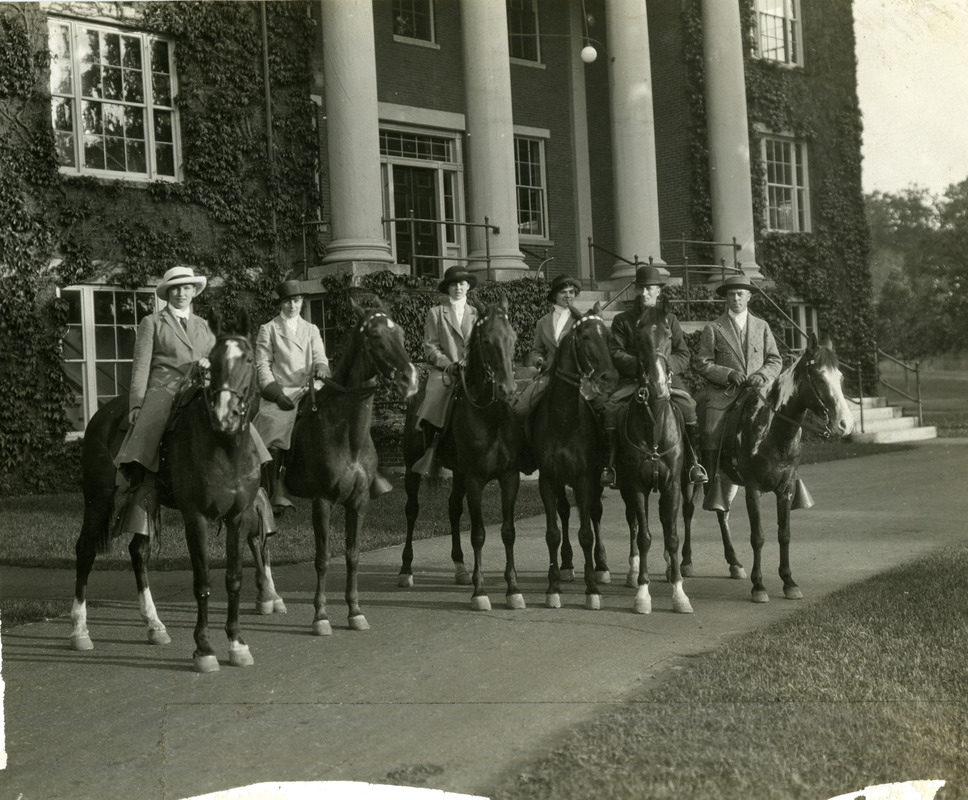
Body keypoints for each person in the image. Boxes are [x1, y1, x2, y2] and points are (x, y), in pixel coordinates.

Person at [114, 265, 274, 538]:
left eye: (186, 288)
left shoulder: (204, 326)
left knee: (242, 423)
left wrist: (209, 363)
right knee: (153, 423)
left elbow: (220, 358)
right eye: (175, 288)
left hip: (202, 386)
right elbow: (141, 367)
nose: (181, 293)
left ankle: (256, 488)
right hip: (165, 387)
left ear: (193, 292)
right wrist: (137, 404)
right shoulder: (152, 323)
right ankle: (142, 485)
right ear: (167, 293)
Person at [599, 264, 708, 488]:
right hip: (633, 380)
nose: (645, 293)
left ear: (659, 291)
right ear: (636, 291)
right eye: (642, 288)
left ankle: (693, 462)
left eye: (651, 289)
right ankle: (611, 466)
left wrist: (664, 369)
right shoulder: (622, 320)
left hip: (664, 378)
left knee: (688, 406)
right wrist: (642, 367)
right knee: (610, 409)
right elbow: (616, 353)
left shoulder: (669, 319)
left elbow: (683, 353)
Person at [694, 273, 783, 506]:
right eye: (731, 294)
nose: (736, 298)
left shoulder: (762, 326)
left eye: (740, 294)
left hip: (758, 393)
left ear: (749, 297)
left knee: (783, 424)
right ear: (726, 298)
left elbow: (775, 360)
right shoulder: (713, 328)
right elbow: (702, 363)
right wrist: (729, 374)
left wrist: (762, 375)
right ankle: (711, 483)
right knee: (711, 428)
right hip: (725, 395)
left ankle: (788, 477)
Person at [253, 279, 330, 514]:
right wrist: (275, 393)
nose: (292, 306)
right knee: (275, 430)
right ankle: (274, 489)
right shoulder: (269, 329)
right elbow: (262, 365)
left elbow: (320, 355)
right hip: (282, 392)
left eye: (296, 301)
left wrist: (321, 367)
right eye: (288, 301)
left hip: (310, 388)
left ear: (302, 302)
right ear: (281, 304)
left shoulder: (311, 329)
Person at [412, 265, 479, 470]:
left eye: (462, 283)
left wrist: (472, 362)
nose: (458, 288)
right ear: (447, 289)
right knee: (431, 399)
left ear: (468, 286)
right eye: (453, 284)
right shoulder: (436, 313)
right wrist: (449, 364)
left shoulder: (477, 313)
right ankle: (431, 447)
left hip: (473, 371)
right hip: (446, 372)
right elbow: (430, 347)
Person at [527, 274, 581, 370]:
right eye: (563, 292)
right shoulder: (542, 322)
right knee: (534, 385)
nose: (568, 296)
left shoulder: (582, 320)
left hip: (575, 374)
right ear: (554, 295)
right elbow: (537, 350)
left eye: (571, 292)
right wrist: (539, 360)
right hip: (550, 372)